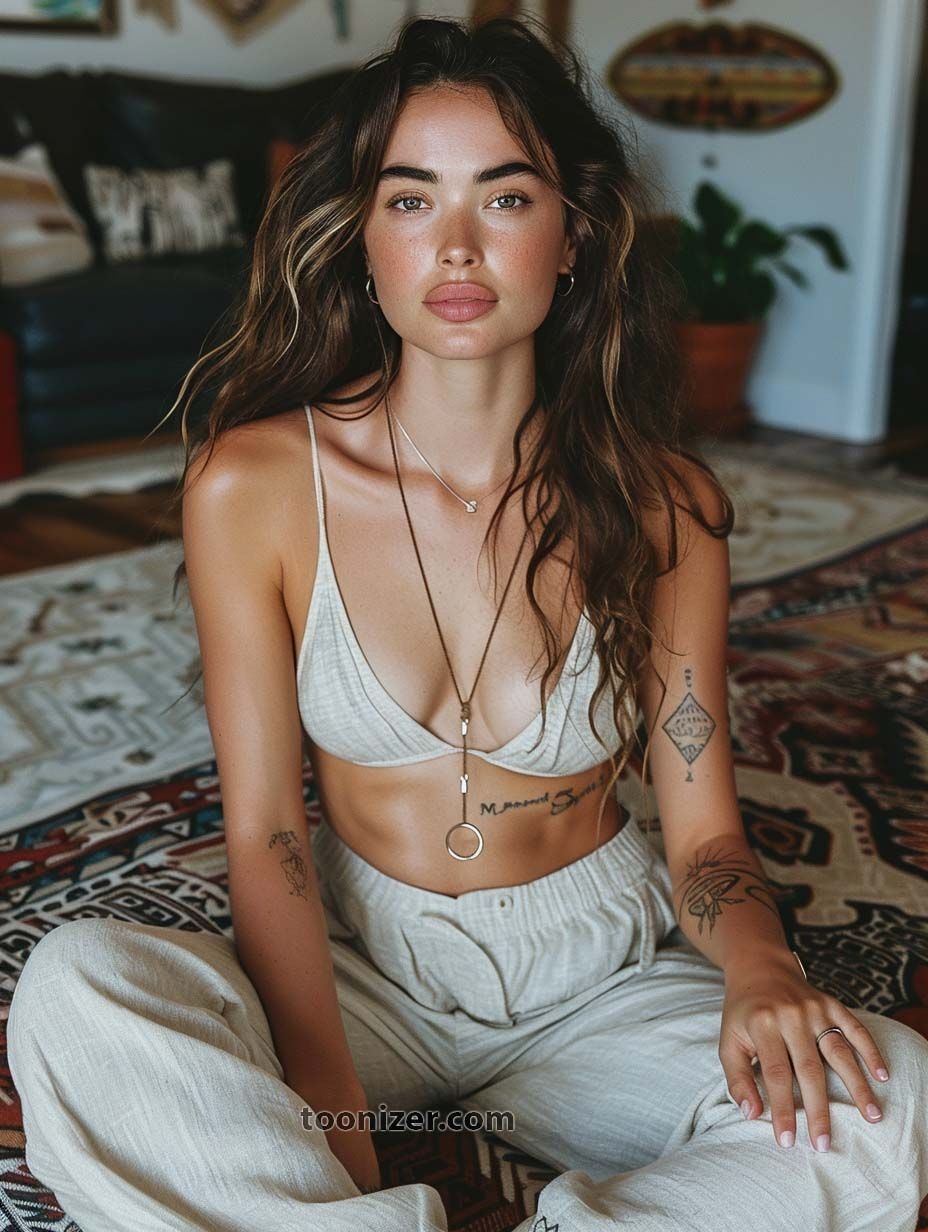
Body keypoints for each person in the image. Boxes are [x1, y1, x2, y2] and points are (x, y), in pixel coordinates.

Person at [8, 14, 927, 1232]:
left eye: (502, 198)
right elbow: (267, 831)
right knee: (77, 986)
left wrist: (762, 969)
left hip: (595, 988)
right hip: (359, 976)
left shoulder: (665, 506)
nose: (453, 245)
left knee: (889, 1094)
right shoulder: (254, 483)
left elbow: (705, 834)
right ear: (361, 237)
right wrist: (325, 1090)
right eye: (409, 200)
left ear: (572, 233)